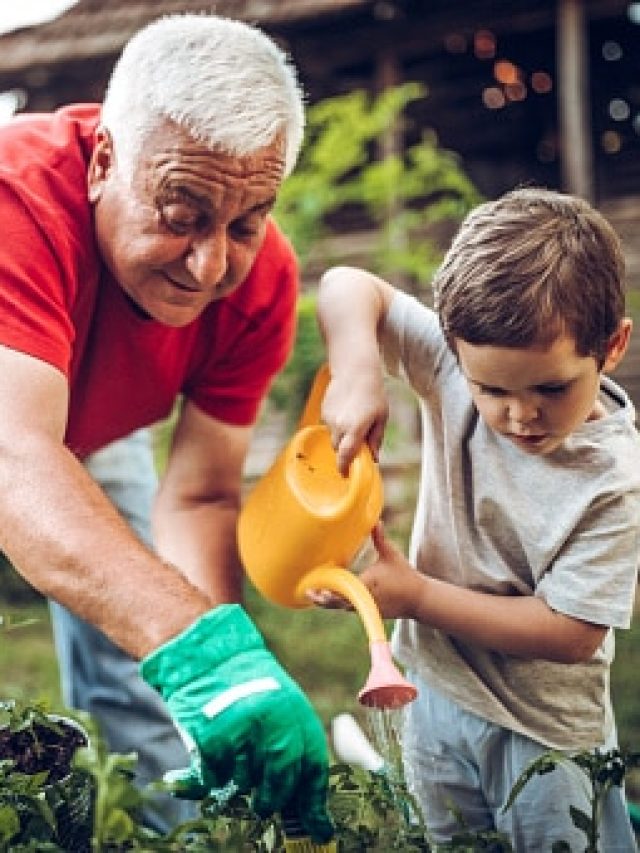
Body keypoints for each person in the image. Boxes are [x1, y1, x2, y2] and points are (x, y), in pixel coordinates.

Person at [0, 13, 333, 841]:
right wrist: (197, 645)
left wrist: (230, 666)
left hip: (78, 430)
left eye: (247, 221)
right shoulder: (16, 198)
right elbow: (12, 456)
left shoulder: (260, 286)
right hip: (16, 428)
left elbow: (200, 492)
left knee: (146, 648)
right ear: (105, 160)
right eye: (181, 213)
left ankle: (177, 828)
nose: (210, 264)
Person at [315, 188, 640, 850]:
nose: (520, 415)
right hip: (434, 693)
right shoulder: (450, 361)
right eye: (491, 390)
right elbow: (348, 285)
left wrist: (417, 596)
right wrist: (357, 371)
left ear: (611, 346)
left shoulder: (615, 482)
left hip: (544, 732)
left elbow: (573, 630)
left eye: (551, 388)